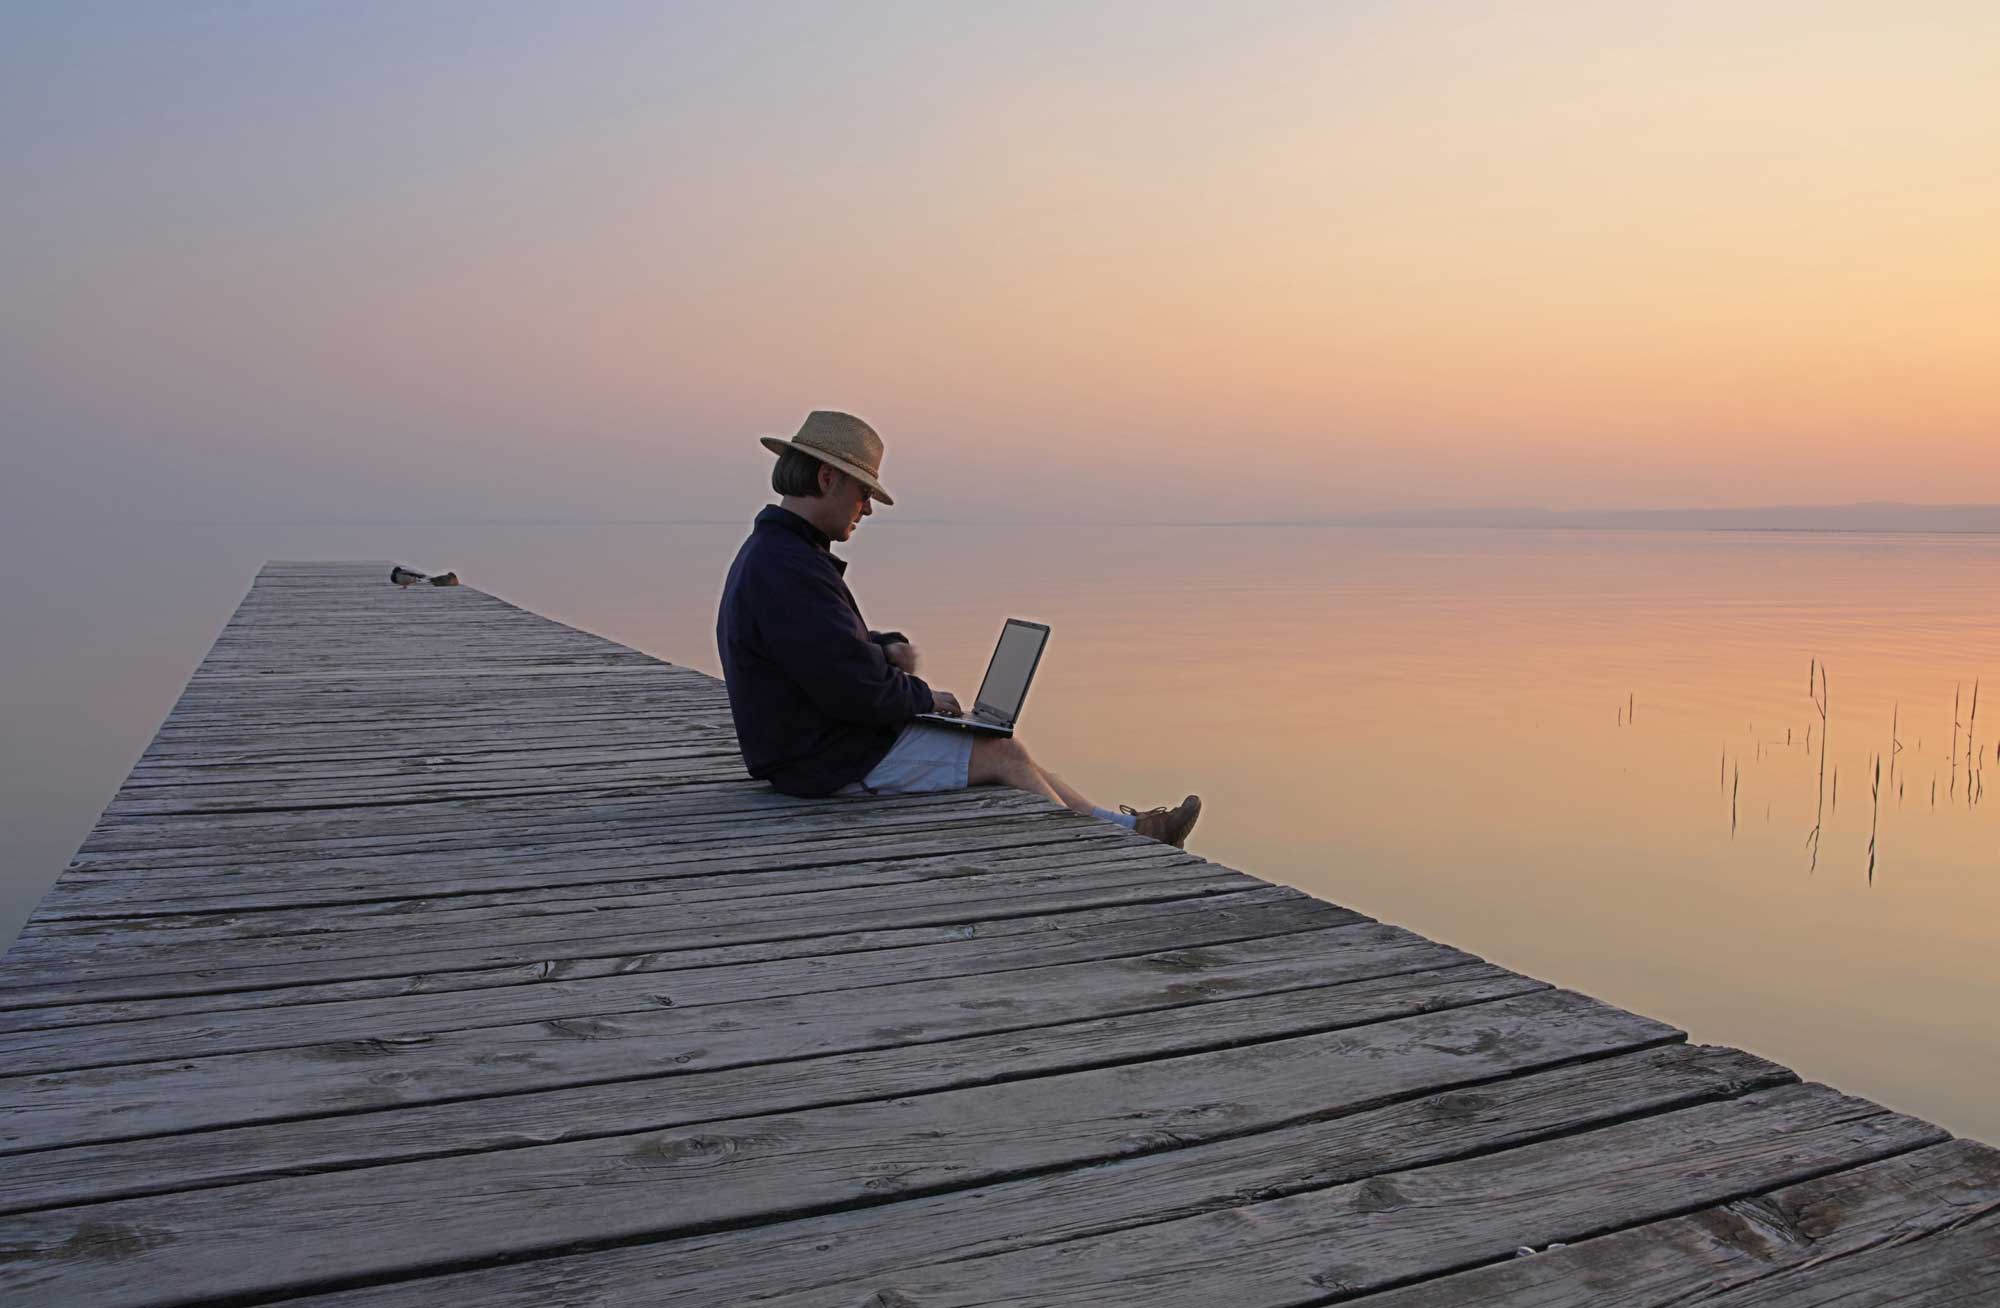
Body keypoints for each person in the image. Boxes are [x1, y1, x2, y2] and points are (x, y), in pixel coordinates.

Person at [716, 410, 1202, 847]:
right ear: (827, 478)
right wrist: (925, 699)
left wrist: (882, 650)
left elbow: (822, 651)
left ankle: (1131, 832)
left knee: (1001, 749)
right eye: (864, 493)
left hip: (814, 744)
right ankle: (1108, 852)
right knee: (1002, 753)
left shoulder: (782, 556)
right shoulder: (789, 570)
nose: (867, 509)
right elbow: (852, 691)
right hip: (821, 760)